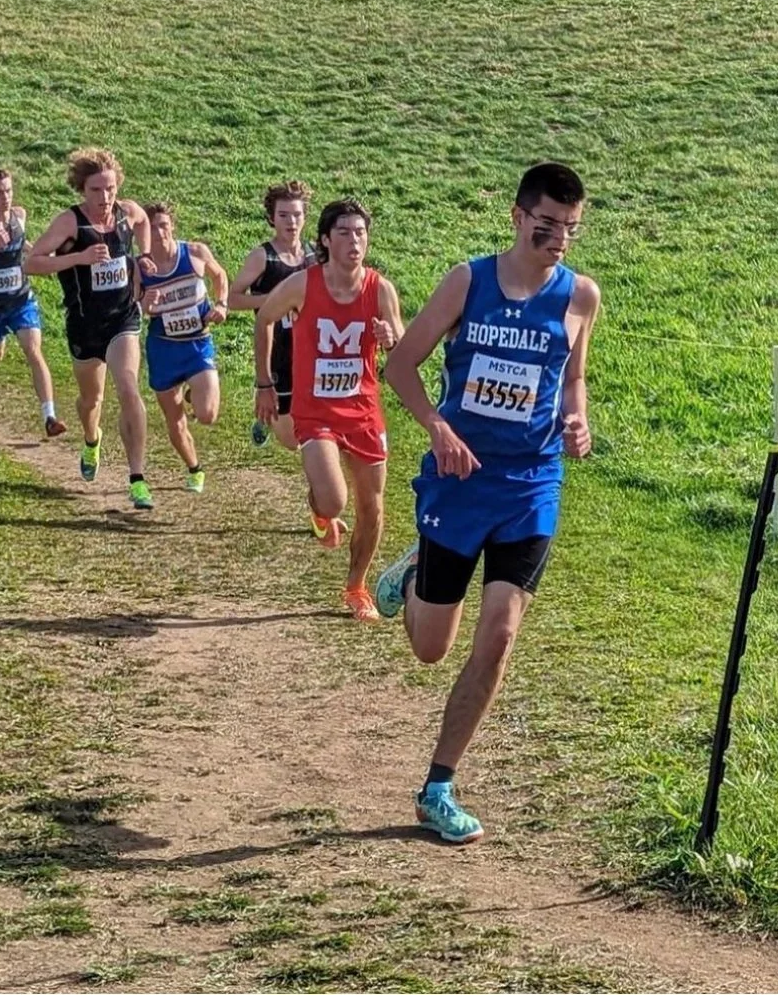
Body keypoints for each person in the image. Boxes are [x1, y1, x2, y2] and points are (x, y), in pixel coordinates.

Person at [375, 163, 600, 843]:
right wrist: (437, 428)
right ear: (517, 216)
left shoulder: (580, 296)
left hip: (531, 482)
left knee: (499, 633)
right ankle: (417, 572)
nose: (558, 239)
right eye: (547, 224)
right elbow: (400, 365)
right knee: (430, 648)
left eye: (571, 228)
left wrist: (578, 420)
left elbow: (574, 378)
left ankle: (438, 787)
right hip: (460, 478)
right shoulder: (467, 282)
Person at [256, 199, 403, 621]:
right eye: (344, 232)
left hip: (363, 411)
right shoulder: (303, 284)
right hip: (316, 411)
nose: (354, 240)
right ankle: (320, 507)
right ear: (324, 240)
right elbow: (264, 319)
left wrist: (389, 337)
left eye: (360, 232)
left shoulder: (380, 289)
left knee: (372, 507)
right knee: (335, 501)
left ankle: (356, 587)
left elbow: (400, 343)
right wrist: (264, 383)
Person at [24, 150, 153, 509]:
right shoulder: (71, 223)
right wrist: (78, 258)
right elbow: (32, 263)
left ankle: (137, 478)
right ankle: (92, 438)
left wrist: (144, 257)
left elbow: (144, 221)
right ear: (83, 189)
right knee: (91, 401)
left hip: (123, 319)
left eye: (110, 188)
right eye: (96, 190)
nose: (105, 197)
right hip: (85, 325)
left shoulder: (127, 213)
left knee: (128, 388)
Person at [139, 202, 229, 493]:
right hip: (163, 349)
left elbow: (219, 275)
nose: (159, 233)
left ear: (172, 226)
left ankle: (195, 392)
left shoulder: (194, 253)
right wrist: (144, 304)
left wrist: (221, 304)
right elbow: (132, 307)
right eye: (152, 228)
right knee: (175, 420)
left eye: (163, 225)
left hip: (197, 344)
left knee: (207, 415)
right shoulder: (140, 268)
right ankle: (194, 468)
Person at [0, 168, 66, 438]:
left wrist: (39, 254)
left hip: (21, 300)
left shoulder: (19, 216)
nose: (5, 197)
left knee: (33, 350)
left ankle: (50, 417)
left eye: (9, 190)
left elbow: (22, 241)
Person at [229, 181, 317, 457]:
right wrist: (274, 302)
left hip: (310, 348)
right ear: (272, 218)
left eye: (297, 215)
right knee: (292, 441)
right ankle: (265, 417)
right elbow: (232, 299)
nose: (291, 222)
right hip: (276, 350)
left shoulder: (314, 254)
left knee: (310, 428)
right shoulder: (263, 257)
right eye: (284, 215)